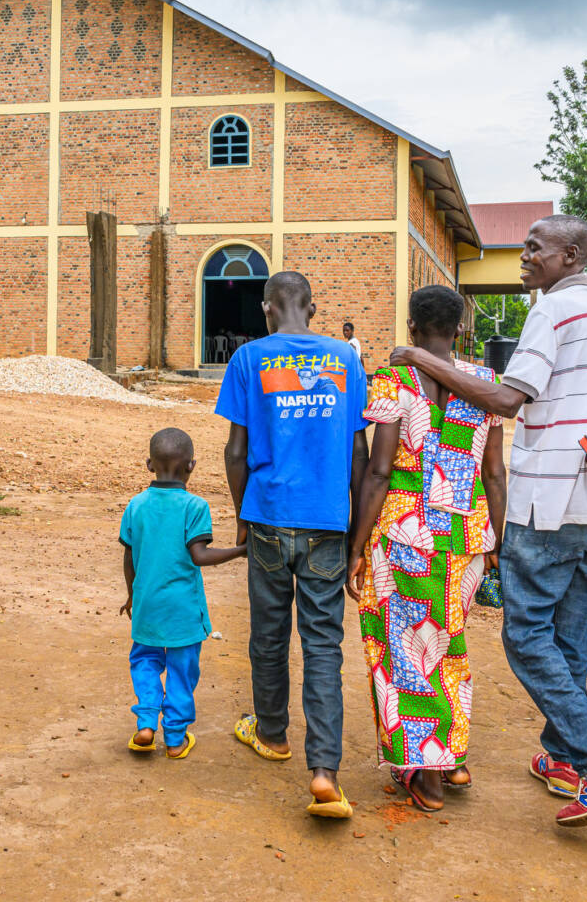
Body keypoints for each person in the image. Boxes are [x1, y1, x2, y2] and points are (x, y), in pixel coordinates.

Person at [389, 214, 587, 828]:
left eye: (535, 249)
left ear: (570, 255)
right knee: (571, 632)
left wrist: (418, 359)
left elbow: (509, 400)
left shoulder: (552, 311)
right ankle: (562, 758)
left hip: (547, 502)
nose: (525, 257)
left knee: (525, 635)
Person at [345, 285, 506, 813]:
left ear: (412, 328)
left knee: (405, 654)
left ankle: (429, 774)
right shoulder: (487, 385)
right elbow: (495, 473)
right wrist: (496, 541)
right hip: (465, 535)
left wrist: (356, 545)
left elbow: (380, 469)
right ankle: (452, 756)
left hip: (406, 533)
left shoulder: (395, 380)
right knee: (447, 645)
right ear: (461, 328)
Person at [216, 270, 368, 819]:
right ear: (310, 306)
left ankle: (273, 734)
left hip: (269, 517)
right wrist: (357, 531)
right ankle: (324, 771)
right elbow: (360, 455)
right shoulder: (346, 360)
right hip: (328, 522)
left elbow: (236, 451)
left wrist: (240, 515)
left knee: (269, 632)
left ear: (266, 309)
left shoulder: (250, 360)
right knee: (324, 643)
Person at [119, 427, 246, 759]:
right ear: (192, 466)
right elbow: (200, 556)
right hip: (184, 611)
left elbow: (128, 556)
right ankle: (175, 739)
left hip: (147, 603)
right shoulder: (195, 506)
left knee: (144, 660)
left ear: (149, 464)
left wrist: (132, 595)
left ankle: (146, 723)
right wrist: (240, 550)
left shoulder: (136, 505)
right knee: (182, 670)